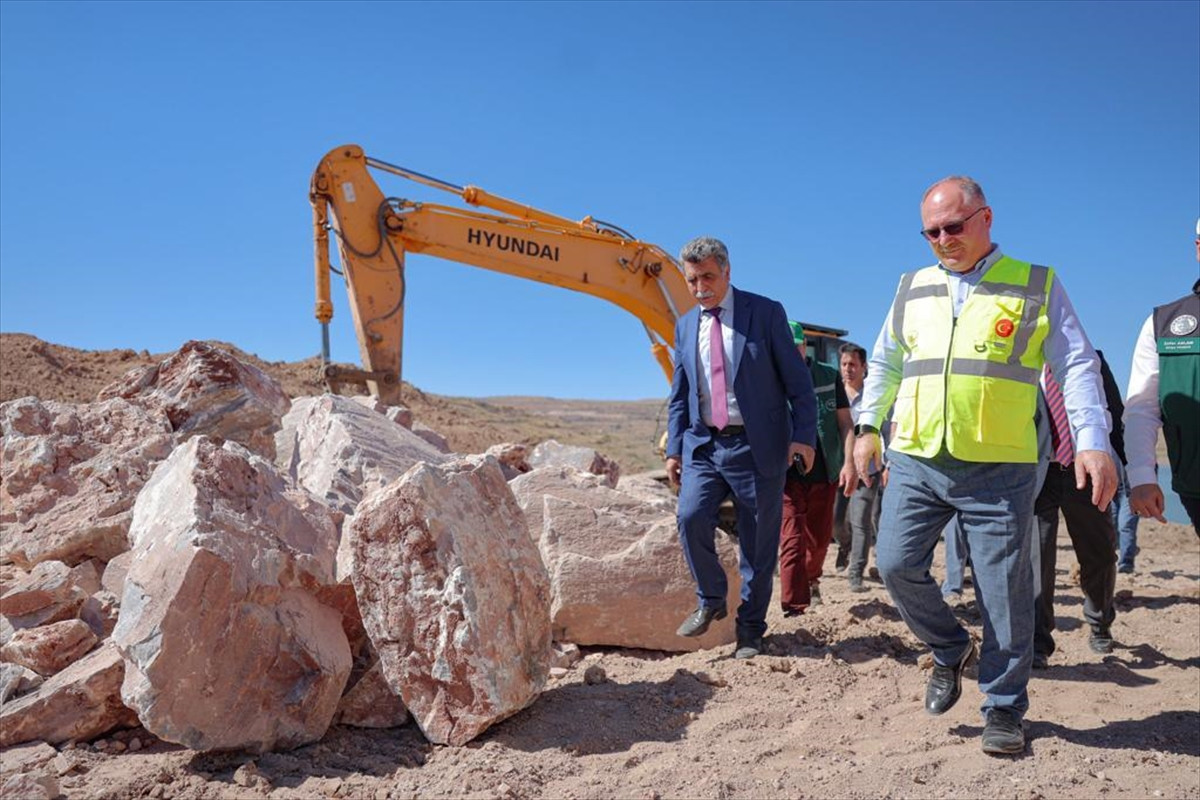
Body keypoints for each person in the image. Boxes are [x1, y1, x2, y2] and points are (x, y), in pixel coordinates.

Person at [852, 176, 1116, 756]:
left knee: (1003, 590)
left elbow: (1076, 365)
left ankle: (1003, 706)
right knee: (895, 563)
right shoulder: (912, 287)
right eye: (931, 232)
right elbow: (886, 362)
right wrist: (868, 426)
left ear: (986, 218)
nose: (943, 239)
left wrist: (1093, 440)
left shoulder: (1036, 283)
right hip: (918, 454)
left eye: (953, 226)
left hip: (1000, 464)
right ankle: (950, 648)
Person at [666, 236, 817, 660]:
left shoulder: (765, 313)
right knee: (690, 516)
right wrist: (674, 449)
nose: (700, 288)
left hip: (757, 446)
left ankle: (751, 629)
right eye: (692, 280)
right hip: (704, 444)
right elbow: (680, 394)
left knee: (758, 544)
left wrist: (803, 436)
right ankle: (711, 598)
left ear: (727, 272)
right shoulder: (684, 326)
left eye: (708, 278)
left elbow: (798, 383)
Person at [1031, 351, 1125, 669]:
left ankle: (1100, 623)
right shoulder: (1022, 360)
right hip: (1037, 473)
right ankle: (1038, 641)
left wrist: (1130, 468)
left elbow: (1114, 412)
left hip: (1085, 471)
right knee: (1037, 558)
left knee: (1099, 552)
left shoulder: (1090, 360)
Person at [1124, 219, 1200, 533]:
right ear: (1198, 248)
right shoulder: (1164, 324)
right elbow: (1141, 408)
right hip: (1195, 483)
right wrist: (1142, 477)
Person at [779, 323, 855, 614]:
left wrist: (848, 462)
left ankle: (812, 581)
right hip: (787, 474)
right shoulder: (771, 379)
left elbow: (845, 423)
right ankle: (793, 605)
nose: (791, 353)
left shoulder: (828, 375)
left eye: (796, 347)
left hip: (825, 470)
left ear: (804, 346)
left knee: (820, 540)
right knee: (792, 539)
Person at [839, 343, 885, 593]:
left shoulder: (873, 396)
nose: (848, 369)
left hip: (867, 469)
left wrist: (886, 464)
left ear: (864, 367)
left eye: (853, 365)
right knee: (835, 522)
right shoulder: (836, 394)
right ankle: (844, 544)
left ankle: (856, 573)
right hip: (837, 467)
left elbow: (885, 429)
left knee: (861, 520)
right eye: (844, 364)